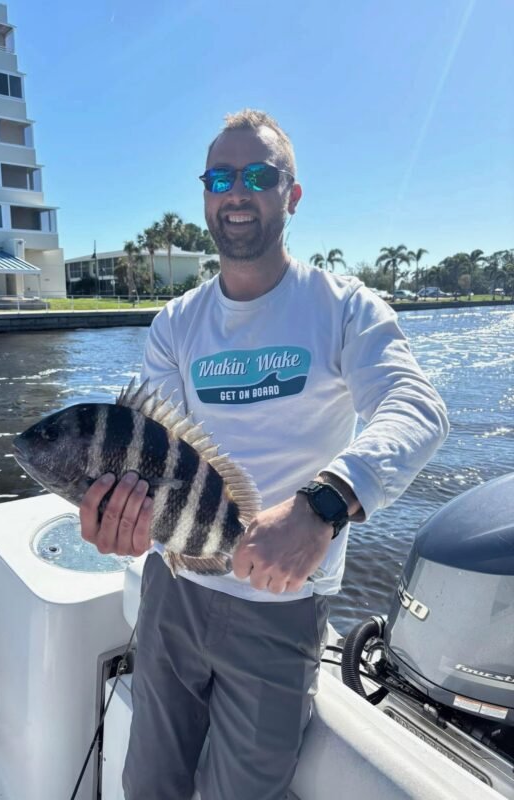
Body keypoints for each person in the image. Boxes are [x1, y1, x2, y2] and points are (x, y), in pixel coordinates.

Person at [80, 109, 449, 800]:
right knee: (148, 784)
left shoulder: (343, 307)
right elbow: (151, 454)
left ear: (292, 195)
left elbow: (416, 407)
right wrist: (120, 515)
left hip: (282, 601)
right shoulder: (175, 323)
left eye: (258, 175)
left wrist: (323, 506)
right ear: (206, 196)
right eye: (220, 177)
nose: (237, 192)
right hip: (174, 590)